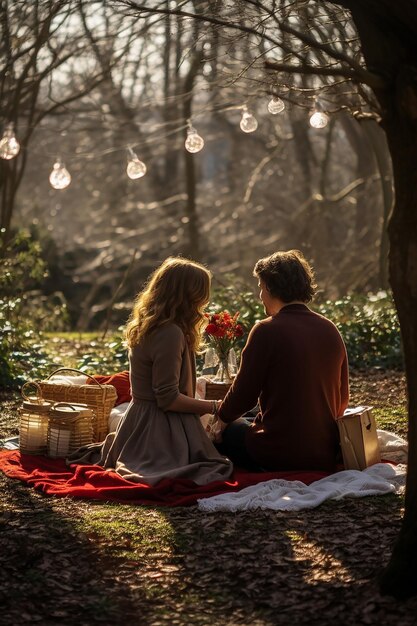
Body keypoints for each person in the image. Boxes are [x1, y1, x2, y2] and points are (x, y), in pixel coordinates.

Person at [68, 257, 233, 486]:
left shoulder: (151, 326)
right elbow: (167, 399)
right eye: (202, 293)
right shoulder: (170, 333)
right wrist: (215, 406)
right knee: (219, 460)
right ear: (188, 295)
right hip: (158, 429)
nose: (205, 301)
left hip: (138, 421)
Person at [214, 250, 349, 473]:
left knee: (227, 429)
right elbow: (342, 398)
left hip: (279, 453)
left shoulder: (266, 330)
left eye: (260, 287)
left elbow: (243, 395)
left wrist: (220, 419)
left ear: (270, 286)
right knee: (249, 415)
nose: (260, 295)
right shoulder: (329, 328)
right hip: (324, 451)